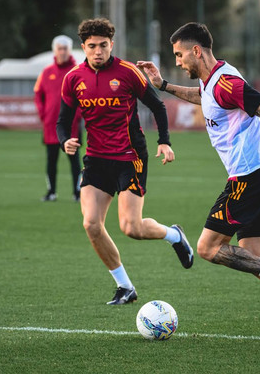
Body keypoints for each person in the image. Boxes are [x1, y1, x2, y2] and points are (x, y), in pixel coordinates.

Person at [137, 22, 260, 345]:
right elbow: (203, 97)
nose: (178, 61)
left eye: (179, 55)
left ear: (196, 50)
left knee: (207, 247)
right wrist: (164, 85)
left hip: (250, 177)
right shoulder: (211, 81)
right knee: (254, 258)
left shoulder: (227, 82)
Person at [57, 18, 194, 305]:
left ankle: (174, 235)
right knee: (91, 224)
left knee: (132, 228)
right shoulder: (73, 78)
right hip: (96, 159)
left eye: (103, 45)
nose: (98, 51)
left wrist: (164, 141)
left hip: (130, 157)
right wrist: (65, 140)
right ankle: (125, 287)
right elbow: (63, 121)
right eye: (92, 46)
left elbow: (157, 106)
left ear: (112, 44)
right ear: (83, 47)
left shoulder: (128, 72)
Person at [34, 35, 82, 202]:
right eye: (59, 49)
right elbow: (38, 94)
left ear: (70, 50)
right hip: (50, 126)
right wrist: (44, 114)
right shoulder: (46, 72)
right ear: (55, 51)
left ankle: (77, 192)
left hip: (71, 127)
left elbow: (84, 96)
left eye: (65, 49)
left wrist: (77, 116)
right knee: (51, 160)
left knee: (75, 160)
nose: (62, 52)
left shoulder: (78, 71)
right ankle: (51, 192)